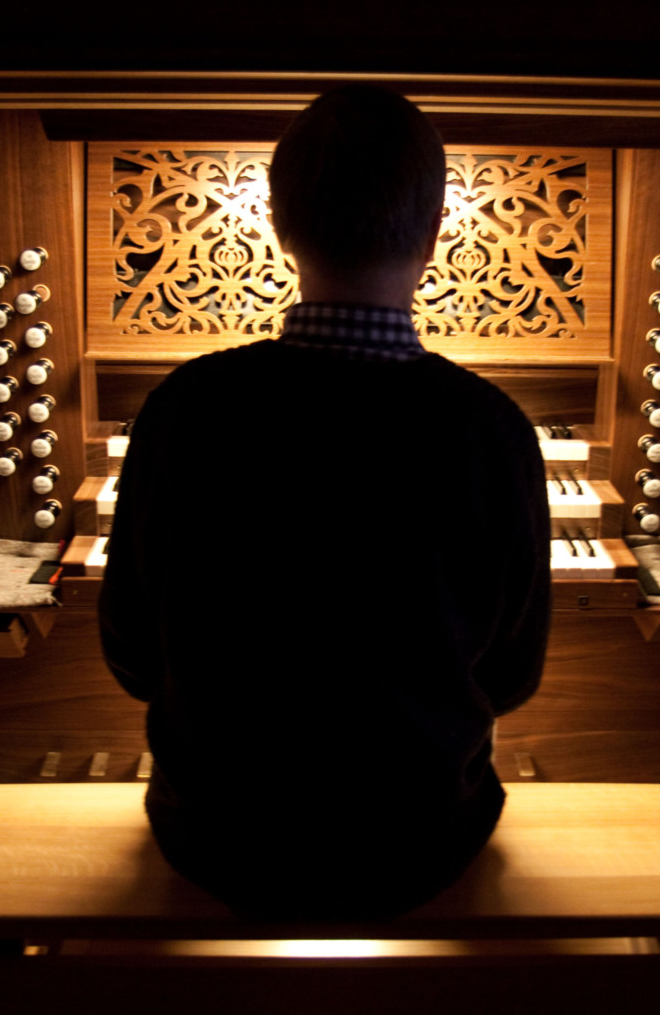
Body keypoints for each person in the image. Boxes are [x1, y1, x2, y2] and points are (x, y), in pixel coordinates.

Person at [98, 84, 550, 919]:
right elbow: (512, 677)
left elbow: (131, 655)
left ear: (276, 227)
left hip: (215, 838)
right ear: (435, 236)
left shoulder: (183, 410)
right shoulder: (493, 430)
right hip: (423, 845)